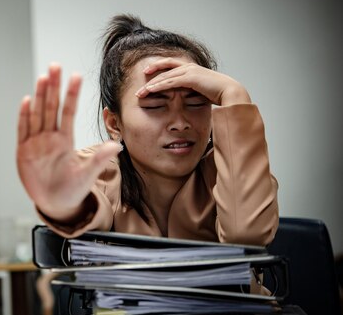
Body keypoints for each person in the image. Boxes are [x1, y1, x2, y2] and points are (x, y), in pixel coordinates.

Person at [16, 13, 278, 246]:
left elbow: (247, 237)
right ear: (114, 124)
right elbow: (85, 207)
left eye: (197, 102)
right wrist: (62, 203)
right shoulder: (97, 170)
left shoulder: (230, 169)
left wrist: (234, 94)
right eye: (155, 106)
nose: (181, 122)